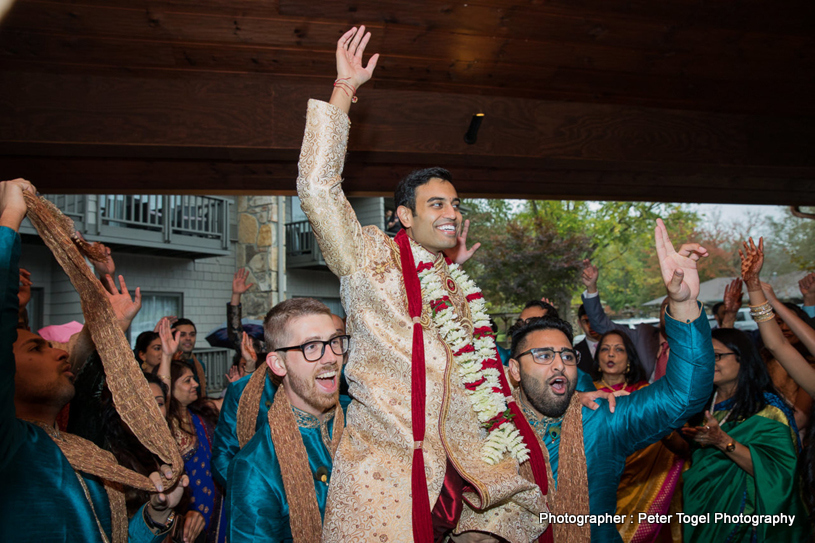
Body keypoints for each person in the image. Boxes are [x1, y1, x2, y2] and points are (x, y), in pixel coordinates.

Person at [298, 26, 552, 543]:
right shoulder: (370, 257)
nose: (453, 213)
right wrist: (344, 90)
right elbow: (317, 189)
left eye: (456, 204)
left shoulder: (456, 286)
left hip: (467, 475)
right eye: (437, 204)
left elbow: (478, 383)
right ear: (403, 217)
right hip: (385, 473)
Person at [0, 178, 188, 542]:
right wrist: (9, 218)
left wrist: (154, 517)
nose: (58, 350)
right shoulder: (10, 447)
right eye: (36, 348)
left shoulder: (84, 455)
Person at [507, 218, 714, 542]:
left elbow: (683, 395)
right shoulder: (489, 428)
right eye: (544, 356)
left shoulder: (602, 419)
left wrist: (684, 303)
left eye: (567, 355)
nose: (560, 364)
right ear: (514, 371)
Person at [227, 298, 349, 542]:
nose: (330, 358)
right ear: (278, 364)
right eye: (311, 347)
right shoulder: (255, 468)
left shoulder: (360, 420)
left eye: (334, 342)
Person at [679, 327, 809, 541]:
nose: (710, 362)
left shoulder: (767, 410)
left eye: (717, 355)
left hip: (748, 519)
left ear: (742, 358)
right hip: (703, 510)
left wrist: (723, 441)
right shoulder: (700, 405)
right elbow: (694, 459)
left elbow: (778, 471)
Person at [592, 331, 685, 542]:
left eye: (619, 349)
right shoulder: (588, 393)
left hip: (643, 478)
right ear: (597, 358)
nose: (611, 354)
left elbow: (673, 442)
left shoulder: (645, 393)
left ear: (629, 359)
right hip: (600, 482)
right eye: (605, 349)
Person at [581, 258, 669, 380]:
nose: (669, 312)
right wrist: (591, 288)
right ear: (660, 313)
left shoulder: (691, 344)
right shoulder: (643, 335)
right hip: (644, 397)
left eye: (675, 308)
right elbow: (601, 324)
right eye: (666, 307)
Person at [168, 360, 225, 543]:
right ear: (169, 386)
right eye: (187, 380)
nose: (195, 384)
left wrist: (249, 366)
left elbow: (237, 402)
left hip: (220, 507)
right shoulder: (165, 428)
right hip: (187, 517)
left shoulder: (202, 413)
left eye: (194, 379)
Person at [172, 317, 207, 393]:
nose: (188, 338)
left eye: (192, 334)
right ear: (173, 337)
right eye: (182, 335)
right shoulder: (167, 364)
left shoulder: (200, 365)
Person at [573, 304, 601, 376]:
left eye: (594, 320)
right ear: (580, 323)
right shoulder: (575, 353)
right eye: (586, 321)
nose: (591, 326)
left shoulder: (618, 347)